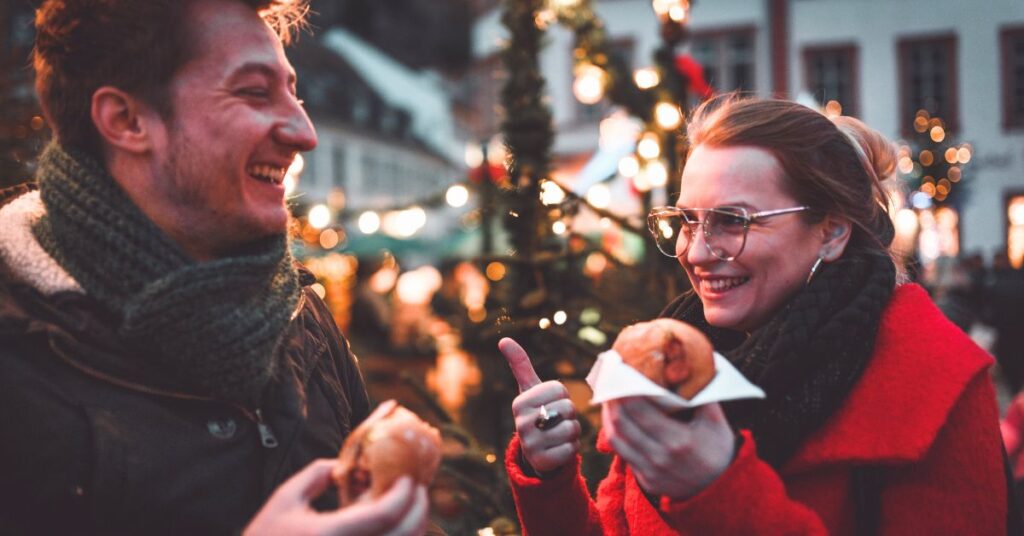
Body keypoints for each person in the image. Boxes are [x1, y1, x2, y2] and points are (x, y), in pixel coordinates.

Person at [0, 0, 428, 533]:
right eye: (254, 92)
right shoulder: (18, 354)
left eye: (294, 93)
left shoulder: (302, 315)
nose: (304, 132)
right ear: (126, 120)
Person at [500, 96, 1007, 534]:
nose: (696, 252)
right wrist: (551, 479)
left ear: (831, 232)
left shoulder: (933, 381)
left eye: (732, 221)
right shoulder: (668, 363)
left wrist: (717, 487)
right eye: (686, 221)